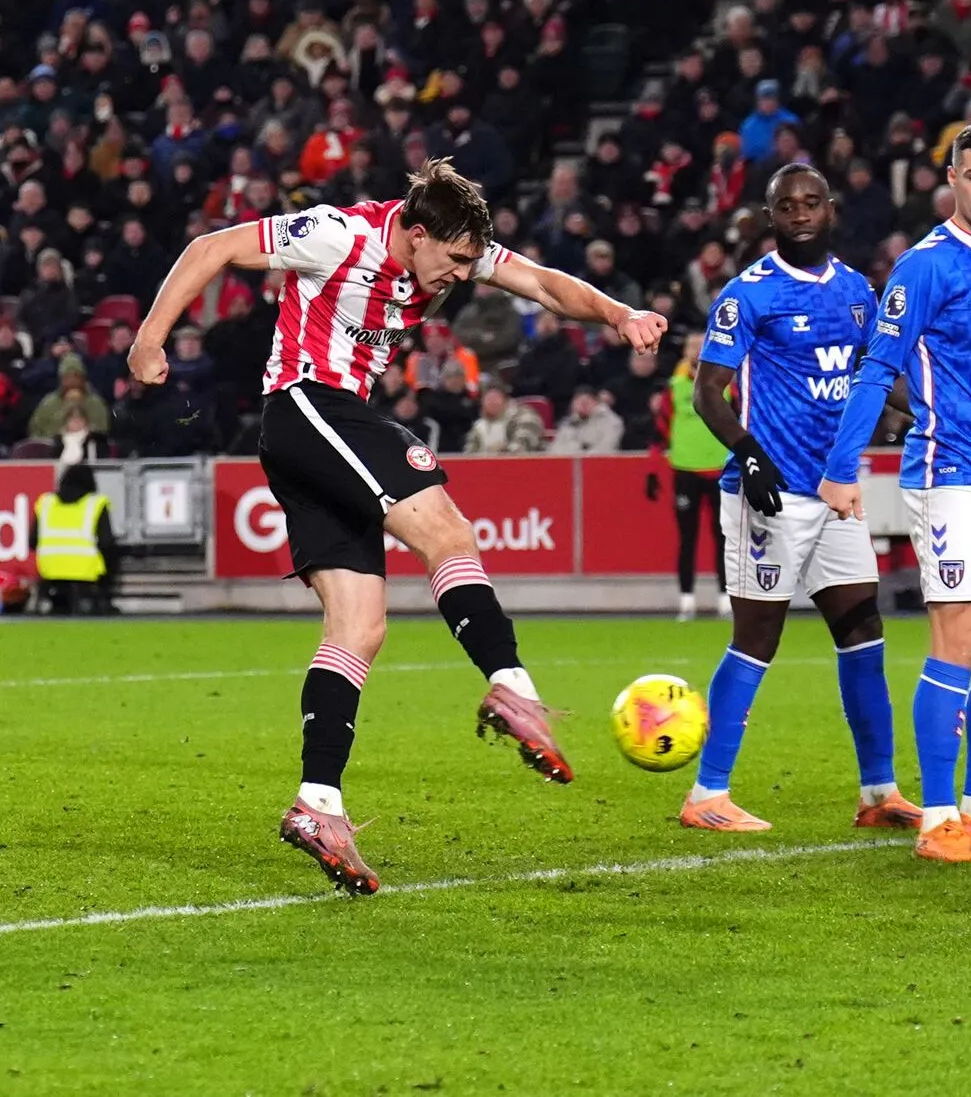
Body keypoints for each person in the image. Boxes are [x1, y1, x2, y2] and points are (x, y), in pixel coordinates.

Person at [126, 159, 668, 895]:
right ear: (415, 234)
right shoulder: (337, 233)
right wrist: (149, 339)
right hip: (308, 405)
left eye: (468, 263)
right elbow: (212, 247)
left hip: (319, 433)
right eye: (449, 261)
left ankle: (318, 803)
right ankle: (510, 685)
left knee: (359, 625)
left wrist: (619, 315)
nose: (455, 276)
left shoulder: (454, 248)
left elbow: (542, 282)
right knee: (448, 531)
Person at [819, 122, 971, 864]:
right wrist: (841, 465)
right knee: (957, 639)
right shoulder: (924, 268)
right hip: (949, 475)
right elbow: (875, 368)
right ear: (952, 179)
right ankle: (938, 818)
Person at [678, 163, 921, 833]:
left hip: (834, 489)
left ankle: (879, 792)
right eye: (788, 205)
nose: (801, 213)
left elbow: (880, 377)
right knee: (757, 636)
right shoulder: (748, 294)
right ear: (770, 216)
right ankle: (706, 794)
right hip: (770, 494)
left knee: (862, 629)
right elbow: (708, 391)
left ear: (831, 209)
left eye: (812, 202)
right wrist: (748, 454)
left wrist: (932, 412)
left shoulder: (854, 290)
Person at [665, 331, 733, 620]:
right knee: (687, 538)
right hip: (685, 469)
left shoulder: (727, 383)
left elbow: (741, 419)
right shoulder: (675, 386)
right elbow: (661, 427)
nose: (695, 350)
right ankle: (686, 599)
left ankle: (725, 598)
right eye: (691, 345)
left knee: (723, 537)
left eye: (699, 345)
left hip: (719, 468)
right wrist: (655, 469)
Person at [33, 462, 117, 615]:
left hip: (50, 571)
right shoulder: (96, 503)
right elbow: (107, 542)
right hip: (86, 572)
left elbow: (32, 541)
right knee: (110, 556)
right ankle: (106, 603)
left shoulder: (46, 503)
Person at [549, 385, 624, 454]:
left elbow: (606, 449)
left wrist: (581, 456)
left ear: (596, 403)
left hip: (601, 464)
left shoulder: (612, 422)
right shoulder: (568, 423)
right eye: (578, 402)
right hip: (568, 463)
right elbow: (555, 449)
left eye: (586, 402)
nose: (582, 406)